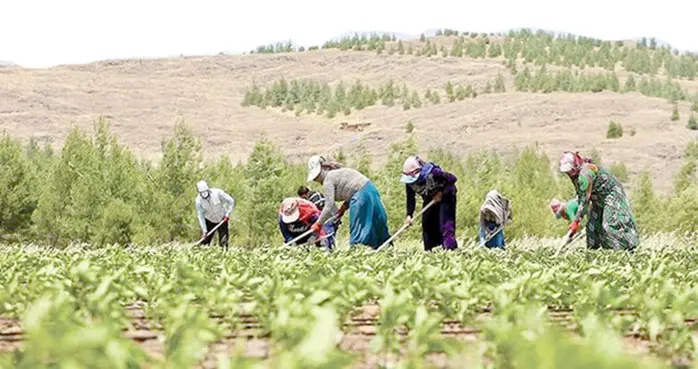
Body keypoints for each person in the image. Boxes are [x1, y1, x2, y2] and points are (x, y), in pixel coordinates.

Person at [558, 151, 639, 251]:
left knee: (609, 225)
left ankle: (622, 252)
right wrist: (575, 221)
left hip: (611, 194)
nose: (569, 173)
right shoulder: (574, 176)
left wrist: (576, 222)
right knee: (592, 227)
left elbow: (584, 201)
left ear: (575, 165)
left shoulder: (586, 173)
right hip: (597, 198)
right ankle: (594, 255)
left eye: (570, 170)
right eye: (567, 171)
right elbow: (580, 196)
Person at [307, 155, 391, 249]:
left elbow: (328, 206)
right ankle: (386, 248)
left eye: (316, 177)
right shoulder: (337, 174)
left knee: (358, 229)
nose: (316, 180)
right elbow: (350, 189)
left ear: (321, 171)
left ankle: (357, 252)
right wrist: (343, 208)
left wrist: (318, 224)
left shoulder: (328, 179)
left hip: (361, 197)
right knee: (376, 223)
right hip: (371, 190)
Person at [400, 155, 459, 251]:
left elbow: (452, 179)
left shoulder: (433, 173)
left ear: (418, 171)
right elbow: (410, 198)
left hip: (447, 196)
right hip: (429, 198)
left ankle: (450, 251)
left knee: (445, 225)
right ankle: (430, 252)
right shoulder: (409, 183)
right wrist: (409, 215)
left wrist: (441, 193)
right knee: (427, 225)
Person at [195, 180, 235, 250]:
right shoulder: (198, 201)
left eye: (205, 192)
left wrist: (227, 214)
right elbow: (200, 216)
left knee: (223, 242)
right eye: (202, 193)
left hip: (222, 219)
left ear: (208, 190)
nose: (204, 194)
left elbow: (231, 201)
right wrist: (204, 230)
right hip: (209, 220)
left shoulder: (217, 193)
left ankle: (224, 256)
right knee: (205, 242)